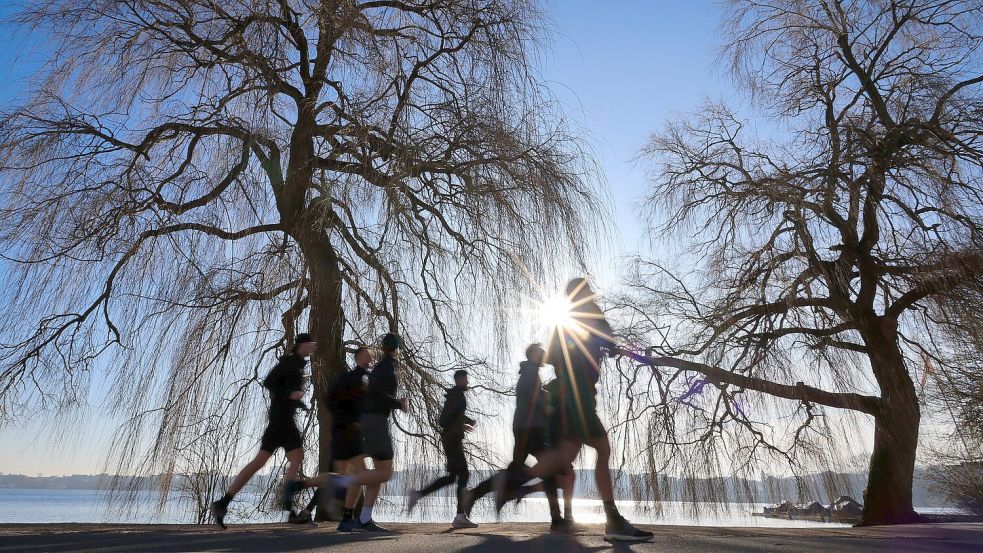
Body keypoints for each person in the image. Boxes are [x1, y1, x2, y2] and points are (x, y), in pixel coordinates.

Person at [497, 279, 654, 542]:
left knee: (565, 454)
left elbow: (555, 356)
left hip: (569, 394)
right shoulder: (591, 314)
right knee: (601, 449)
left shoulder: (563, 323)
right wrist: (623, 350)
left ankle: (513, 482)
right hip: (578, 395)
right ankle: (613, 520)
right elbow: (610, 344)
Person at [300, 333, 407, 533]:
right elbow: (374, 394)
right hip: (373, 423)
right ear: (397, 348)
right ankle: (342, 488)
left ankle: (359, 518)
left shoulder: (378, 369)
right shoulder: (386, 368)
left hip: (368, 422)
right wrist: (398, 403)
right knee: (383, 472)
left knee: (373, 474)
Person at [210, 333, 317, 529]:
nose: (313, 347)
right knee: (289, 457)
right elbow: (269, 382)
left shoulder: (298, 364)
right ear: (302, 344)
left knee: (271, 460)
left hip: (282, 419)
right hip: (281, 421)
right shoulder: (290, 361)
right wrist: (290, 394)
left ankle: (223, 503)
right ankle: (288, 504)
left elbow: (284, 389)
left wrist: (299, 403)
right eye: (311, 343)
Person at [465, 344, 574, 533]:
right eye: (540, 351)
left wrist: (544, 396)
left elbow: (531, 394)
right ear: (532, 354)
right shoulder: (529, 373)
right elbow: (528, 394)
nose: (543, 354)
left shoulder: (531, 372)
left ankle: (477, 494)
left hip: (528, 427)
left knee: (520, 468)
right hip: (530, 429)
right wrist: (549, 403)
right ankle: (555, 519)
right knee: (541, 468)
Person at [295, 346, 373, 530]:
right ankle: (348, 516)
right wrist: (353, 422)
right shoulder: (352, 379)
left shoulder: (355, 379)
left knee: (342, 477)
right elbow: (338, 402)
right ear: (359, 357)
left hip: (343, 434)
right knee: (353, 476)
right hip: (348, 435)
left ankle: (310, 508)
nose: (371, 358)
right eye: (367, 355)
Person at [407, 370, 479, 529]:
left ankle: (419, 495)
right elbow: (444, 419)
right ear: (459, 380)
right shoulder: (457, 396)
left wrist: (464, 423)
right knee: (464, 474)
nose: (467, 382)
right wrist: (465, 422)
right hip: (452, 439)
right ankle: (459, 517)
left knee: (453, 477)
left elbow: (450, 417)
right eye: (466, 379)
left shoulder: (456, 395)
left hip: (450, 438)